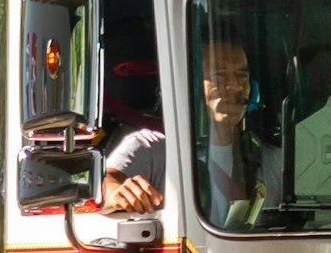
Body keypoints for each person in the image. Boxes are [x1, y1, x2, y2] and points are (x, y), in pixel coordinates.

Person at [101, 36, 281, 225]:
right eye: (219, 75)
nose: (235, 86)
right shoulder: (151, 149)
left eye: (242, 76)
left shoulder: (271, 160)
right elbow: (106, 183)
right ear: (192, 86)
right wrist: (114, 191)